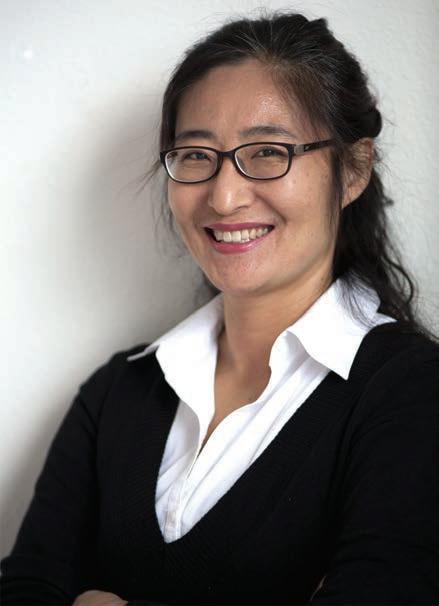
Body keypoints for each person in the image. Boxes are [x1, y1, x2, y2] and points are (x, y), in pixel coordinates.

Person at [1, 10, 438, 606]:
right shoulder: (115, 393)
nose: (225, 197)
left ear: (354, 169)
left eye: (268, 152)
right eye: (196, 155)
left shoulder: (412, 394)